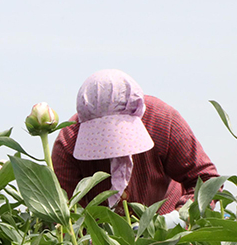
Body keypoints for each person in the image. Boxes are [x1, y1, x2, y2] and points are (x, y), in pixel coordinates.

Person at [51, 69, 218, 221]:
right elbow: (66, 212)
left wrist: (178, 219)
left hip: (170, 236)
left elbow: (207, 181)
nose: (111, 145)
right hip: (103, 243)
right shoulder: (69, 142)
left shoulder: (162, 120)